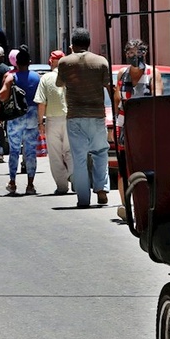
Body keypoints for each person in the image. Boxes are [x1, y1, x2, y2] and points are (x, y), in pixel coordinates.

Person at [56, 28, 113, 208]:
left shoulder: (65, 62)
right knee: (100, 152)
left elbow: (59, 83)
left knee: (79, 158)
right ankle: (102, 191)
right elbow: (109, 86)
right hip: (96, 115)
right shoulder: (101, 62)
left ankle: (83, 198)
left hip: (75, 115)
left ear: (72, 45)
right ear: (89, 43)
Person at [112, 39, 162, 219]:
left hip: (145, 128)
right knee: (124, 167)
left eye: (139, 52)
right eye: (131, 53)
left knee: (147, 166)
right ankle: (127, 207)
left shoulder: (152, 73)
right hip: (124, 127)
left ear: (145, 53)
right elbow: (117, 100)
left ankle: (148, 204)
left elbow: (157, 99)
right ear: (126, 55)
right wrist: (115, 125)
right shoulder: (122, 74)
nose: (135, 56)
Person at [0, 46, 42, 195]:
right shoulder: (37, 77)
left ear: (16, 63)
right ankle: (30, 185)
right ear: (29, 62)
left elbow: (2, 95)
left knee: (14, 151)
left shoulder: (12, 77)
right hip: (32, 116)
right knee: (30, 152)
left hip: (16, 118)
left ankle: (12, 182)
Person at [35, 50, 72, 195]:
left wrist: (40, 123)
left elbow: (41, 103)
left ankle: (62, 186)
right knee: (70, 151)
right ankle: (75, 177)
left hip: (52, 120)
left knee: (55, 154)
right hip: (70, 119)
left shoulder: (46, 78)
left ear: (52, 62)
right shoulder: (71, 76)